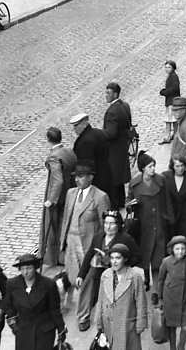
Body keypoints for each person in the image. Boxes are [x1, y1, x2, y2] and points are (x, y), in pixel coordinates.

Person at [59, 160, 110, 324]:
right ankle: (76, 301)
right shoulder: (71, 193)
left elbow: (106, 225)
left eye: (81, 177)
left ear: (90, 178)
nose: (77, 180)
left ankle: (83, 316)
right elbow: (66, 217)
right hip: (71, 242)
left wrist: (103, 248)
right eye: (76, 177)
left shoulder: (100, 197)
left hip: (88, 246)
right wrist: (63, 242)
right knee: (74, 276)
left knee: (87, 280)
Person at [76, 211, 140, 332]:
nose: (108, 227)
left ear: (118, 225)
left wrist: (122, 264)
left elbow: (137, 257)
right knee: (88, 286)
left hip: (116, 273)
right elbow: (89, 254)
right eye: (106, 223)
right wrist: (81, 275)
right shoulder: (98, 237)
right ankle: (84, 317)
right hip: (99, 271)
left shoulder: (125, 239)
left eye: (112, 224)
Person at [128, 151, 173, 292]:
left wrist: (169, 217)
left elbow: (167, 200)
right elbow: (128, 202)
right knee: (145, 254)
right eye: (150, 166)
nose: (153, 169)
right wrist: (130, 206)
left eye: (153, 166)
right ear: (143, 168)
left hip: (159, 223)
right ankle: (147, 279)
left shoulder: (160, 181)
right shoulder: (135, 184)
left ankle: (158, 286)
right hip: (143, 225)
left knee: (158, 256)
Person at [2, 253, 66, 350]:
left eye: (29, 268)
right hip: (23, 330)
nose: (25, 272)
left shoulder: (48, 284)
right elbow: (8, 305)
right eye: (23, 269)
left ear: (35, 268)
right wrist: (13, 324)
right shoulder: (12, 284)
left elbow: (54, 309)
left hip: (44, 331)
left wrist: (61, 329)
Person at [94, 243, 148, 349]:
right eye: (112, 258)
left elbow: (141, 302)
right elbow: (100, 300)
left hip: (126, 325)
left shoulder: (135, 277)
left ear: (125, 259)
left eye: (118, 258)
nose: (114, 261)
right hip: (108, 324)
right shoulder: (105, 275)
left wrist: (140, 322)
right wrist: (99, 321)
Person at [39, 127, 77, 268]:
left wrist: (51, 200)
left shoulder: (54, 157)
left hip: (59, 196)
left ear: (48, 139)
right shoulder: (69, 151)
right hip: (70, 191)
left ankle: (52, 256)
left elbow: (58, 180)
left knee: (53, 227)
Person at [156, 236, 186, 350]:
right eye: (177, 249)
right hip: (169, 298)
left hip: (185, 298)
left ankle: (181, 346)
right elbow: (160, 280)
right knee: (172, 327)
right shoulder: (166, 262)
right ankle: (172, 348)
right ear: (172, 250)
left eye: (183, 248)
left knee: (185, 327)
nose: (180, 251)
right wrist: (159, 298)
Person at [102, 82, 132, 208]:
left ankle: (115, 204)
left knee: (113, 178)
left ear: (115, 94)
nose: (106, 95)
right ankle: (121, 201)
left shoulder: (112, 111)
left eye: (108, 93)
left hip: (114, 150)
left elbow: (111, 133)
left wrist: (100, 134)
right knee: (119, 178)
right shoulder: (124, 105)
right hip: (122, 147)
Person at [163, 155, 186, 247]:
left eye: (182, 165)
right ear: (173, 167)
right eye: (177, 166)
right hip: (171, 213)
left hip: (185, 214)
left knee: (183, 241)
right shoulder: (165, 177)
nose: (180, 168)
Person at [159, 60, 180, 144]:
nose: (167, 69)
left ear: (173, 68)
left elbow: (174, 88)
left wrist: (165, 92)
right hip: (170, 101)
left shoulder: (173, 76)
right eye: (166, 67)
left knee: (170, 120)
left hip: (172, 101)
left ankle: (168, 137)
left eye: (169, 67)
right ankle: (175, 136)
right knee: (172, 120)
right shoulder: (171, 76)